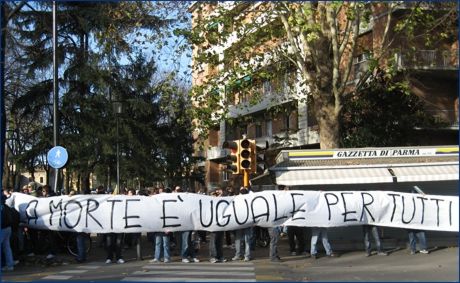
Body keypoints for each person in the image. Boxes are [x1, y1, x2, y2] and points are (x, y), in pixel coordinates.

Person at [232, 186, 253, 262]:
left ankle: (238, 255)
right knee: (247, 240)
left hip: (239, 222)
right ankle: (247, 256)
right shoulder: (250, 199)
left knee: (238, 239)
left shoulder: (237, 199)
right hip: (247, 222)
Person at [408, 186, 430, 255]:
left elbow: (426, 197)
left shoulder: (419, 200)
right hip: (412, 222)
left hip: (417, 221)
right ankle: (414, 249)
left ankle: (417, 249)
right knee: (414, 236)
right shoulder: (407, 202)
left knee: (419, 235)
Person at [208, 188, 226, 263]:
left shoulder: (219, 201)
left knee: (220, 241)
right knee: (213, 241)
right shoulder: (208, 201)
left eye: (216, 194)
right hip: (213, 224)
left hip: (220, 224)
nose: (215, 196)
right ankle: (213, 256)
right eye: (213, 194)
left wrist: (221, 194)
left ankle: (220, 256)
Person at [1, 195, 16, 271]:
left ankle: (8, 265)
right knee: (7, 247)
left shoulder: (2, 208)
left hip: (2, 229)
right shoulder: (7, 207)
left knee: (5, 247)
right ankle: (10, 265)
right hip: (8, 228)